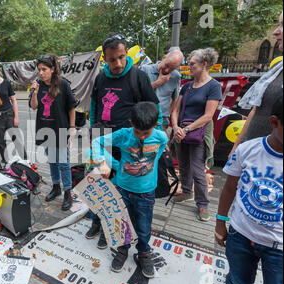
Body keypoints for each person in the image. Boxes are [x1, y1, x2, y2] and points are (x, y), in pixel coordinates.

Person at [86, 33, 160, 247]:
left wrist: (153, 140)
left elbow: (154, 110)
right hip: (103, 142)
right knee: (100, 184)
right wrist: (93, 131)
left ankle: (113, 226)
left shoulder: (139, 77)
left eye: (121, 57)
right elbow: (94, 106)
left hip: (130, 144)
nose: (118, 63)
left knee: (121, 189)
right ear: (105, 59)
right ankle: (97, 221)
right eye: (112, 59)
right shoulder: (100, 78)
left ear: (126, 53)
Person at [215, 94, 282, 284]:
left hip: (279, 247)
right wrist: (220, 222)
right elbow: (229, 188)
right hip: (241, 236)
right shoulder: (246, 150)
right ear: (274, 122)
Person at [92, 102, 168, 275]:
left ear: (155, 124)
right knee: (122, 222)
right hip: (123, 189)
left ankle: (143, 253)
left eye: (146, 133)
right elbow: (97, 142)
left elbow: (155, 159)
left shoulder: (161, 138)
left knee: (143, 226)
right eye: (137, 132)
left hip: (146, 192)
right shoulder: (124, 135)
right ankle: (122, 250)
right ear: (131, 122)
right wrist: (104, 162)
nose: (141, 137)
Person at [170, 48, 222, 222]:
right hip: (182, 131)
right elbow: (175, 109)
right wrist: (176, 127)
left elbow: (208, 116)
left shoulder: (213, 86)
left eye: (192, 63)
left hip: (198, 132)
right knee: (183, 164)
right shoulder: (187, 86)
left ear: (204, 64)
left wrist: (186, 130)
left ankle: (203, 204)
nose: (188, 66)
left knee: (198, 169)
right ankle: (186, 192)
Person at [229, 11, 283, 158]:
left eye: (282, 25)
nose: (275, 31)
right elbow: (255, 110)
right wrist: (236, 148)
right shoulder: (276, 71)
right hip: (252, 153)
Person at [29, 54, 77, 211]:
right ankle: (56, 187)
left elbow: (71, 107)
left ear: (53, 69)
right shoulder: (39, 85)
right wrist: (35, 92)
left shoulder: (63, 84)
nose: (41, 73)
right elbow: (34, 106)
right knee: (52, 161)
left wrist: (72, 127)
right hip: (45, 128)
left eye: (44, 69)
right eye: (39, 70)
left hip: (61, 128)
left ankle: (68, 192)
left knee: (63, 162)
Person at [140, 49, 183, 132]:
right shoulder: (145, 70)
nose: (167, 70)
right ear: (164, 58)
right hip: (143, 118)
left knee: (159, 144)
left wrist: (167, 115)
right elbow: (137, 92)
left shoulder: (176, 76)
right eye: (167, 65)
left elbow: (175, 100)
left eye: (172, 69)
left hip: (162, 121)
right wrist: (157, 83)